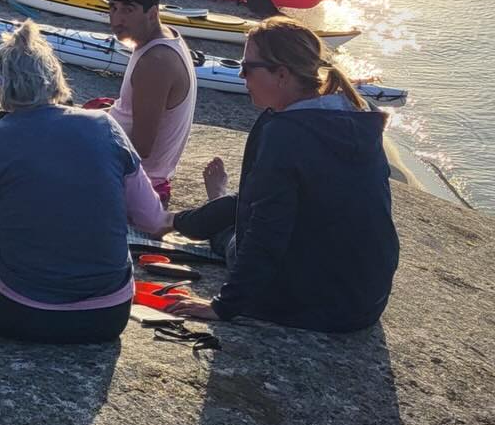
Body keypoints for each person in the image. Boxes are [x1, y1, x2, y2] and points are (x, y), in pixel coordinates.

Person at [0, 21, 167, 345]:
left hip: (20, 314)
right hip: (108, 316)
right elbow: (151, 219)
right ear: (55, 79)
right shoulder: (105, 126)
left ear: (3, 86)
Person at [170, 17, 399, 332]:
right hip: (365, 301)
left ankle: (197, 211)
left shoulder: (286, 134)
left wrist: (223, 307)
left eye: (248, 67)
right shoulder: (357, 119)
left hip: (311, 306)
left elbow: (267, 232)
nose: (241, 75)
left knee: (237, 234)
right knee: (246, 208)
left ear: (281, 74)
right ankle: (210, 206)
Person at [104, 0, 196, 203]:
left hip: (135, 181)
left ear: (152, 12)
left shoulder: (155, 62)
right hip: (137, 172)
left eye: (128, 10)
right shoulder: (164, 36)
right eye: (113, 8)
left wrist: (90, 137)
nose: (117, 20)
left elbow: (141, 148)